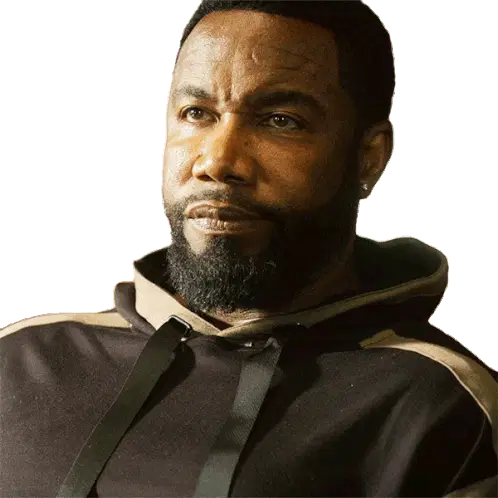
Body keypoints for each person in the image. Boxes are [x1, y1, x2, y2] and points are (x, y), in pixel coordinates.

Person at [1, 1, 497, 496]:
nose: (217, 161)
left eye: (281, 120)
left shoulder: (445, 407)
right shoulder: (20, 360)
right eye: (197, 113)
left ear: (368, 158)